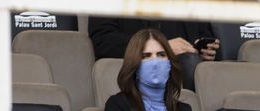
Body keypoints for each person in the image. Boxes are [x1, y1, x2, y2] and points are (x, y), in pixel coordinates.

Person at [89, 17, 219, 90]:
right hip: (136, 69)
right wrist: (162, 47)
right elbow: (102, 39)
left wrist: (200, 48)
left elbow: (203, 34)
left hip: (186, 67)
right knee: (190, 64)